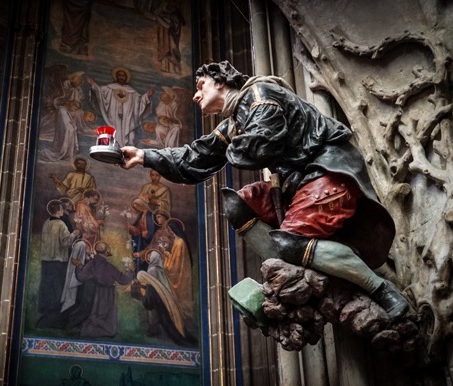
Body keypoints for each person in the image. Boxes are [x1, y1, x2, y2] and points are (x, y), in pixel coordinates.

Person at [120, 60, 409, 321]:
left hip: (329, 171)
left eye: (201, 85)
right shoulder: (235, 121)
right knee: (237, 204)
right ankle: (287, 270)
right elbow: (197, 158)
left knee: (292, 240)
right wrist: (144, 157)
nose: (196, 95)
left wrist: (227, 145)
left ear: (221, 81)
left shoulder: (260, 95)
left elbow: (261, 141)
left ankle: (382, 290)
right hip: (297, 183)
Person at [74, 241, 135, 337]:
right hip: (108, 293)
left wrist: (79, 266)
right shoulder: (108, 266)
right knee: (107, 318)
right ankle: (104, 330)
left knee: (96, 313)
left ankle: (91, 329)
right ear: (106, 252)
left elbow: (81, 276)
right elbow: (123, 279)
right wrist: (130, 271)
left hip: (96, 293)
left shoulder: (92, 264)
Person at [87, 67, 155, 146]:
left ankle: (127, 146)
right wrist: (93, 84)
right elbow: (100, 92)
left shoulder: (132, 91)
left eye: (123, 76)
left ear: (126, 77)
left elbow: (139, 101)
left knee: (128, 132)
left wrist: (147, 96)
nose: (121, 77)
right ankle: (114, 145)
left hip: (127, 118)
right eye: (119, 75)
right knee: (113, 130)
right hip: (113, 116)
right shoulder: (109, 88)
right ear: (116, 76)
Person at [37, 200, 78, 328]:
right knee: (57, 285)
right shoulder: (61, 224)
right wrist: (74, 234)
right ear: (59, 210)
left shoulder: (46, 222)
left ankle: (44, 306)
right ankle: (54, 310)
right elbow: (66, 243)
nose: (63, 211)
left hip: (46, 259)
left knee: (46, 283)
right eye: (61, 209)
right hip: (58, 260)